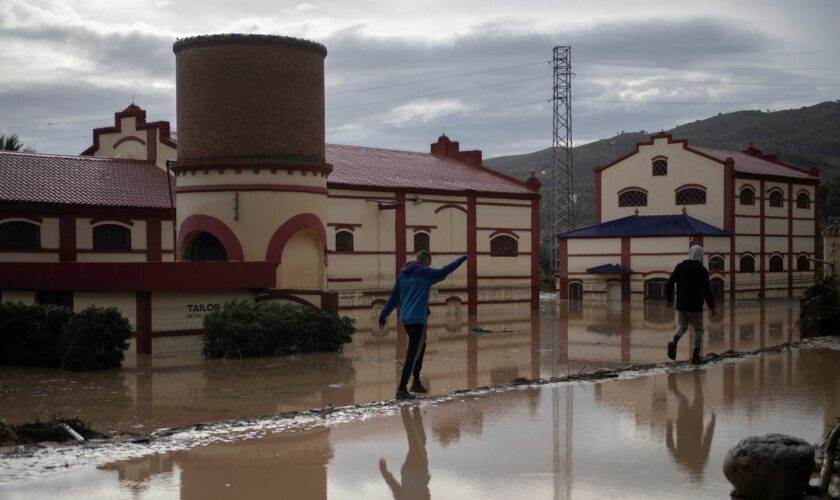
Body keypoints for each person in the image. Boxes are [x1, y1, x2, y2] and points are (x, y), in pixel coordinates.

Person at [379, 251, 468, 400]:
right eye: (429, 263)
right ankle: (402, 388)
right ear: (426, 261)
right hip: (418, 320)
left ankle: (416, 383)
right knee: (413, 353)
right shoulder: (424, 272)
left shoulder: (402, 275)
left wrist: (383, 315)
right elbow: (444, 271)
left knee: (420, 347)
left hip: (406, 319)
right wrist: (461, 259)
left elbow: (394, 297)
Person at [666, 244, 715, 364]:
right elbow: (706, 290)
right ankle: (695, 356)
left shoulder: (680, 267)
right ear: (701, 256)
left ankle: (674, 341)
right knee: (698, 329)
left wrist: (669, 299)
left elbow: (669, 283)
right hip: (695, 305)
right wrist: (712, 306)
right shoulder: (701, 270)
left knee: (682, 326)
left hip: (681, 304)